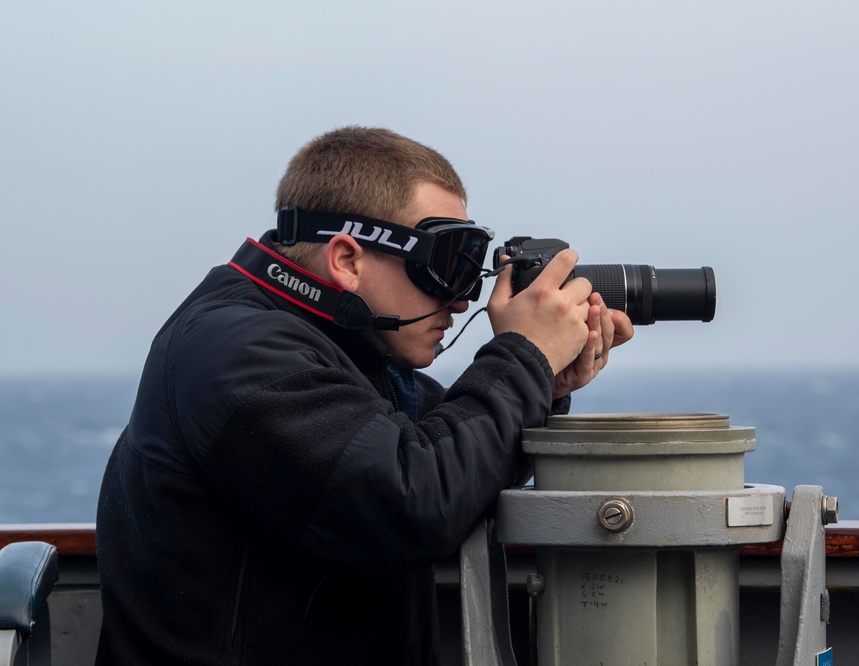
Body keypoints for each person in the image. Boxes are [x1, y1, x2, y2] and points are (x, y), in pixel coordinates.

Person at [95, 126, 634, 665]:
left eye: (469, 265)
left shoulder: (340, 351)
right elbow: (415, 499)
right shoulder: (237, 352)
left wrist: (546, 381)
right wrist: (524, 355)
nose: (461, 299)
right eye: (444, 262)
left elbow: (461, 453)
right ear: (347, 259)